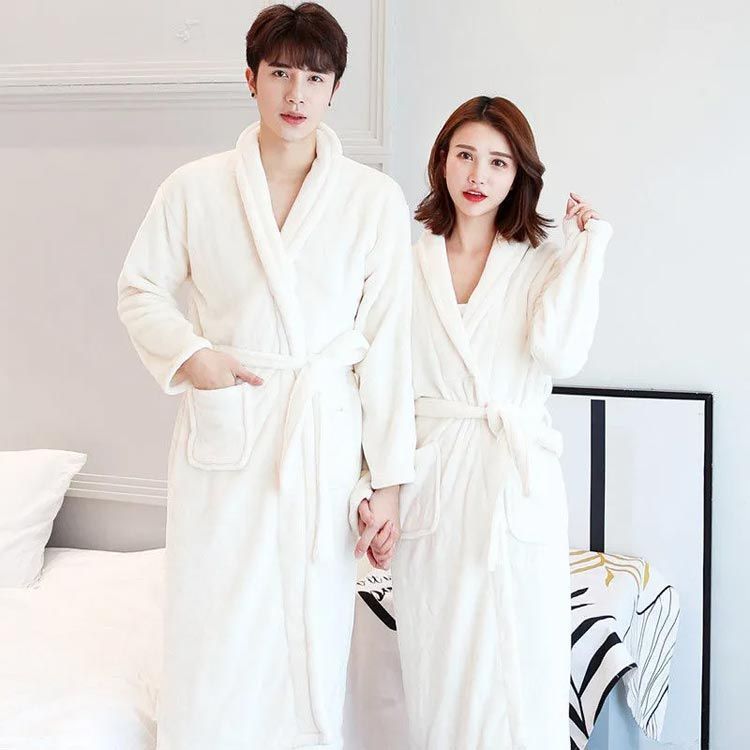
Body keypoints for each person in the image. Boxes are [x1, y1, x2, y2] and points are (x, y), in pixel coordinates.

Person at [116, 4, 414, 748]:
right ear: (250, 78)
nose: (296, 93)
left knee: (309, 621)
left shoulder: (372, 200)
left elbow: (388, 344)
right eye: (280, 72)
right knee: (214, 617)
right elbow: (140, 289)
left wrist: (388, 482)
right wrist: (196, 357)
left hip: (320, 436)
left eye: (314, 77)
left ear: (335, 88)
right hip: (232, 423)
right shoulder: (194, 187)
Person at [359, 95, 614, 749]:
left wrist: (589, 251)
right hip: (435, 482)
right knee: (441, 669)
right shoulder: (405, 264)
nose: (478, 175)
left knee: (520, 671)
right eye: (465, 155)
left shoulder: (541, 261)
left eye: (498, 162)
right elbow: (384, 385)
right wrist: (383, 489)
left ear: (518, 173)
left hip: (515, 484)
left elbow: (562, 353)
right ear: (442, 161)